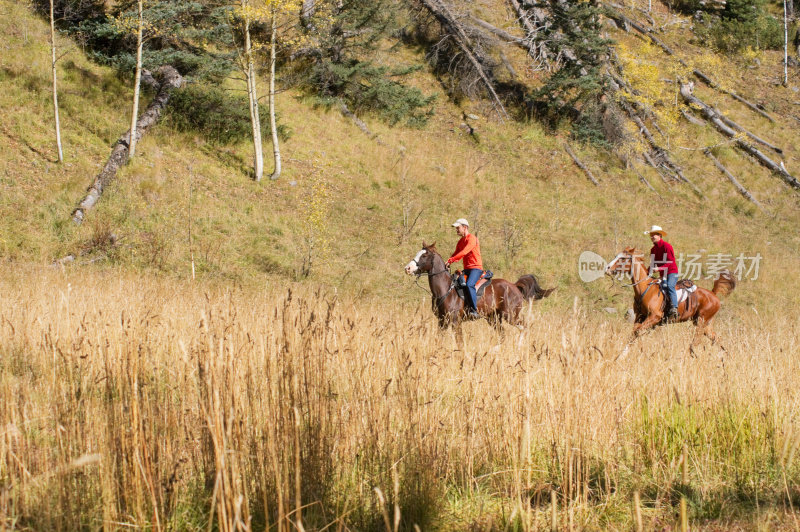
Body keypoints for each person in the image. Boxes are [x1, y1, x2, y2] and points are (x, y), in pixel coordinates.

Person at [445, 218, 483, 320]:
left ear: (465, 227)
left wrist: (452, 260)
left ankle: (474, 310)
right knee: (455, 282)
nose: (456, 230)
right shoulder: (460, 241)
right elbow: (456, 253)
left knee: (470, 284)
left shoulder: (472, 239)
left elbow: (464, 252)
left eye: (458, 228)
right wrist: (448, 261)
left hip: (476, 268)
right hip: (467, 269)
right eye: (456, 228)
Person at [645, 225, 679, 321]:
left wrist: (659, 269)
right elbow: (652, 264)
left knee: (670, 286)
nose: (651, 237)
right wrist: (646, 272)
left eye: (653, 235)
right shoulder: (653, 250)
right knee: (658, 288)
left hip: (672, 272)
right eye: (651, 235)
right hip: (663, 274)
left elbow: (671, 262)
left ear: (659, 235)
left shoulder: (667, 246)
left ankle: (674, 308)